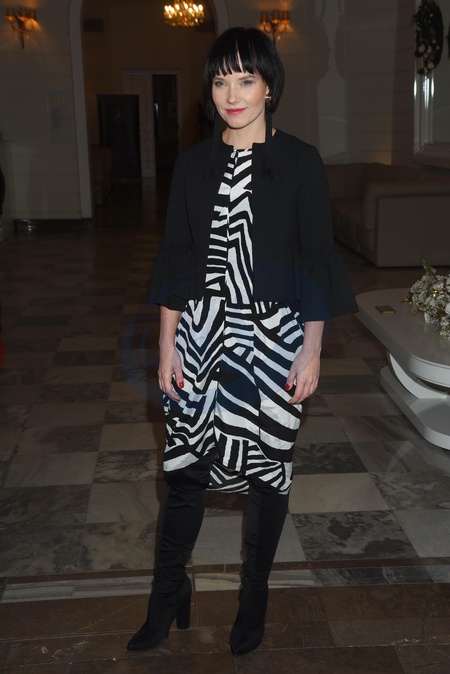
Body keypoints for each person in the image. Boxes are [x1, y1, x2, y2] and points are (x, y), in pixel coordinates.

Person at [127, 26, 357, 656]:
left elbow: (315, 262)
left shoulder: (300, 162)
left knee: (265, 478)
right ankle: (167, 594)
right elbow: (176, 259)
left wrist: (311, 350)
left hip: (274, 341)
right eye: (221, 81)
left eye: (246, 79)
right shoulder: (193, 165)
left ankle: (253, 597)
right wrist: (168, 346)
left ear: (269, 85)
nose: (232, 94)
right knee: (184, 474)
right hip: (200, 337)